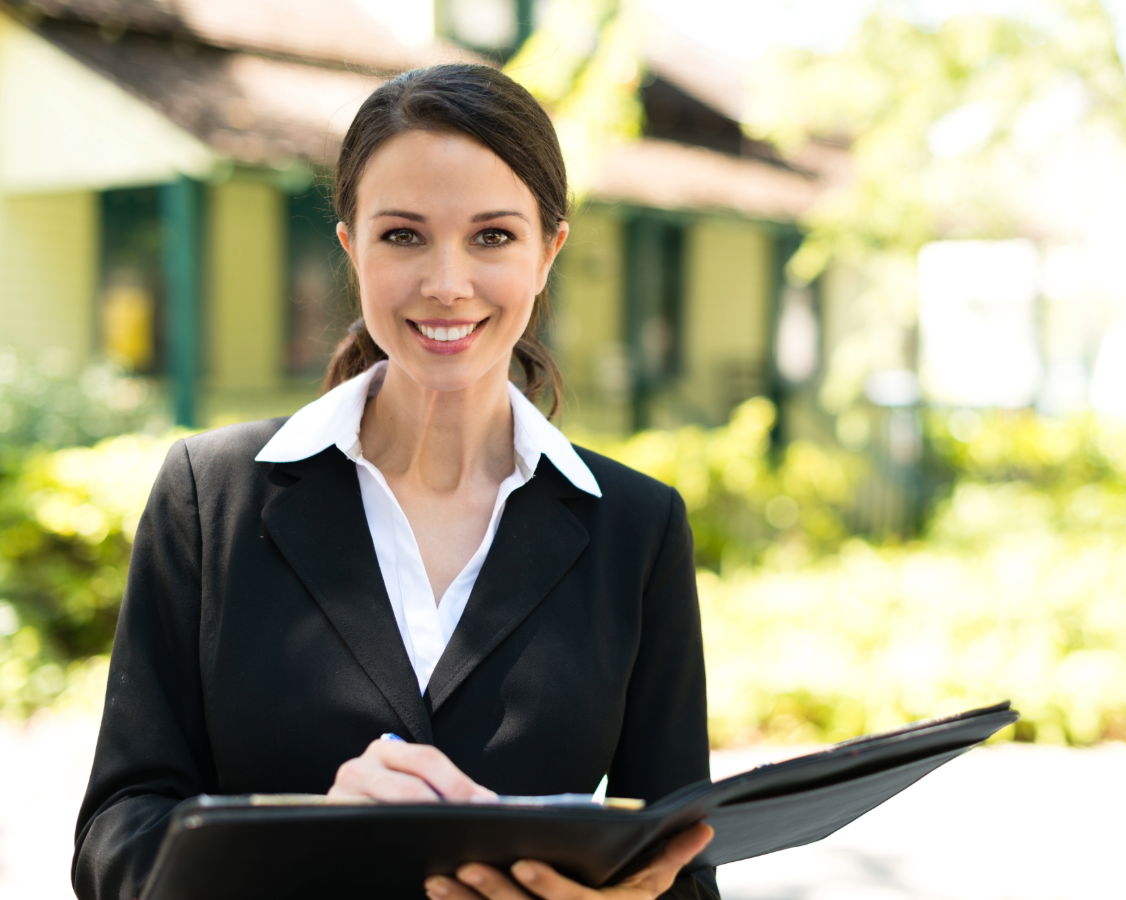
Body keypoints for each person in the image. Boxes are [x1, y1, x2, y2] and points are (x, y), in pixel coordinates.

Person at [72, 64, 717, 900]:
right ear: (352, 245)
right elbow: (112, 841)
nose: (447, 283)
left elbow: (684, 865)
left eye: (492, 236)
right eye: (404, 235)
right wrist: (304, 844)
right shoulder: (210, 497)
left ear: (547, 252)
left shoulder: (638, 527)